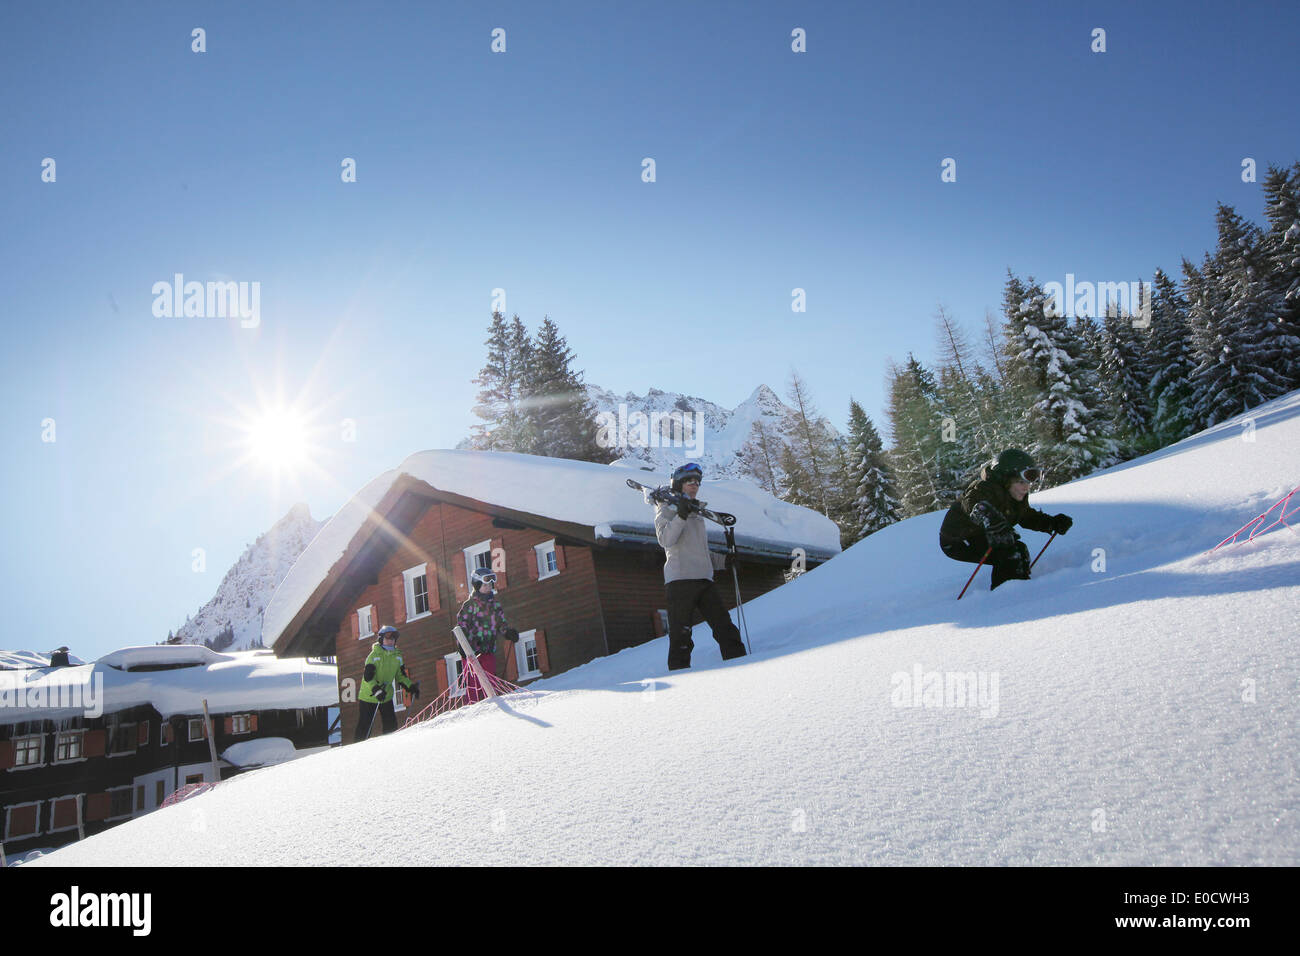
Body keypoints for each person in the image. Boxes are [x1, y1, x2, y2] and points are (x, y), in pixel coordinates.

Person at [654, 462, 747, 670]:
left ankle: (743, 668)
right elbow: (666, 540)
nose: (694, 485)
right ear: (678, 484)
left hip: (705, 580)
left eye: (697, 482)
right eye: (689, 481)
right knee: (682, 635)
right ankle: (680, 679)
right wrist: (681, 515)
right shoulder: (665, 510)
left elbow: (700, 551)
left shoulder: (697, 514)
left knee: (726, 629)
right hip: (680, 581)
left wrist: (725, 561)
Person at [940, 449, 1073, 590]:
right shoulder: (984, 489)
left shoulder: (1016, 495)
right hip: (958, 540)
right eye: (1021, 482)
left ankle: (1020, 585)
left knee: (1019, 549)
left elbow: (1026, 516)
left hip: (983, 532)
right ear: (1006, 479)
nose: (1026, 487)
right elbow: (972, 503)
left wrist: (1051, 523)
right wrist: (989, 517)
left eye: (1029, 482)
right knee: (1007, 552)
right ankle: (1007, 595)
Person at [454, 568, 518, 702]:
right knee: (475, 686)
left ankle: (492, 707)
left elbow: (501, 624)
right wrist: (462, 645)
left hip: (488, 650)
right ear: (477, 586)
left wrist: (508, 633)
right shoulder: (469, 605)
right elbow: (462, 625)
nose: (488, 587)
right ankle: (476, 709)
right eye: (484, 585)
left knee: (489, 683)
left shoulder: (495, 605)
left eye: (490, 584)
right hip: (471, 654)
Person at [355, 625, 420, 741]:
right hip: (368, 696)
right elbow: (368, 677)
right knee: (365, 725)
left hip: (386, 694)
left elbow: (400, 676)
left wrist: (411, 687)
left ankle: (389, 746)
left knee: (390, 724)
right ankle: (357, 748)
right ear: (381, 639)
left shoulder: (397, 656)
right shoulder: (374, 656)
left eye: (393, 638)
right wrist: (376, 690)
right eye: (388, 638)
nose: (391, 641)